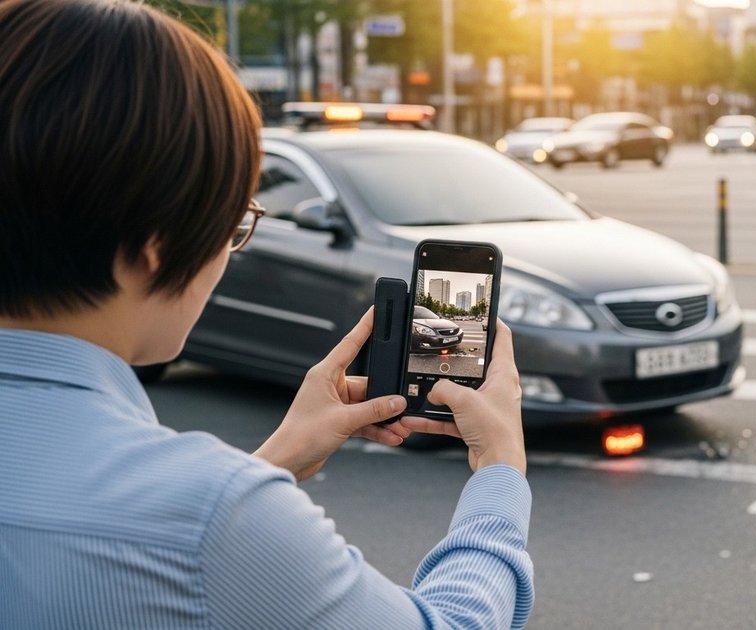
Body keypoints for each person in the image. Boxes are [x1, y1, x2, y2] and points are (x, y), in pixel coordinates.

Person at [0, 1, 532, 627]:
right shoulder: (214, 517)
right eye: (233, 225)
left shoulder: (196, 514)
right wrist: (501, 469)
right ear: (156, 245)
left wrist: (279, 458)